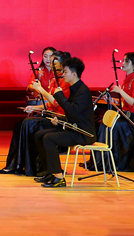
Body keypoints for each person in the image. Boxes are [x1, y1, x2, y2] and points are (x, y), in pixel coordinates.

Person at [0, 50, 70, 176]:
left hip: (59, 118)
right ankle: (17, 164)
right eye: (48, 59)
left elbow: (57, 103)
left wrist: (41, 90)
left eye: (54, 62)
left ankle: (33, 166)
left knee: (28, 124)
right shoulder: (53, 79)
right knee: (20, 124)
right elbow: (50, 104)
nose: (50, 63)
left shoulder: (64, 81)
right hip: (51, 114)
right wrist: (35, 108)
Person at [34, 57, 96, 188]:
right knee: (39, 135)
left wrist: (59, 95)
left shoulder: (83, 91)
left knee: (49, 138)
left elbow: (73, 111)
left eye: (65, 72)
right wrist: (61, 120)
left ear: (74, 74)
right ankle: (50, 171)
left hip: (83, 133)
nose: (63, 74)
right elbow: (73, 114)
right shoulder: (76, 89)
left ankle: (59, 177)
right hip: (74, 128)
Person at [85, 51, 134, 172]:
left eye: (126, 61)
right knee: (101, 124)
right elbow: (125, 102)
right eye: (123, 61)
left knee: (110, 127)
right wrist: (112, 100)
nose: (123, 63)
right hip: (127, 117)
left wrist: (120, 91)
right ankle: (102, 161)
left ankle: (113, 162)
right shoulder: (127, 79)